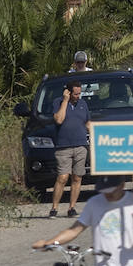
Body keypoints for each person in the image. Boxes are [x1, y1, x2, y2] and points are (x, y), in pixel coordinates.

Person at [49, 80, 90, 219]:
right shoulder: (58, 102)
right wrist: (65, 101)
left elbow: (87, 122)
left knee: (77, 177)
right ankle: (54, 208)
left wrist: (97, 134)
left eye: (80, 93)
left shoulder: (83, 104)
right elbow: (59, 120)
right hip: (63, 147)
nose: (78, 96)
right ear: (68, 92)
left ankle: (71, 208)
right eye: (76, 94)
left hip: (80, 146)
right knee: (62, 177)